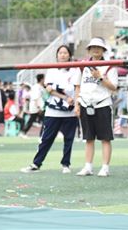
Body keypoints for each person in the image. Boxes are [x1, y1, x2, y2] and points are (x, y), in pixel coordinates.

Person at [21, 45, 80, 174]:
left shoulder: (75, 70)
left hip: (69, 111)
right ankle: (36, 163)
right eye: (60, 53)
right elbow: (49, 89)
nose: (63, 55)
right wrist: (64, 96)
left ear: (69, 55)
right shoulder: (52, 70)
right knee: (46, 138)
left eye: (65, 53)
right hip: (53, 110)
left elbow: (75, 88)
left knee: (69, 139)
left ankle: (66, 164)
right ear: (57, 55)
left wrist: (74, 102)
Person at [75, 37, 119, 177]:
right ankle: (88, 166)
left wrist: (100, 77)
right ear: (88, 50)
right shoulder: (82, 66)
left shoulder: (110, 66)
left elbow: (114, 87)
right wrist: (77, 103)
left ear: (103, 50)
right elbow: (78, 86)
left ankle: (105, 167)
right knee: (88, 138)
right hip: (85, 103)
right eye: (93, 47)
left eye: (98, 47)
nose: (95, 49)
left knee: (105, 138)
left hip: (102, 104)